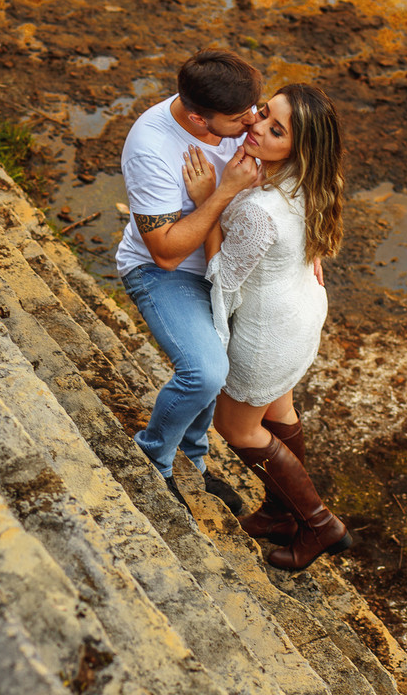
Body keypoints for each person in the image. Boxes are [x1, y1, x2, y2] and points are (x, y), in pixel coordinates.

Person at [184, 82, 350, 570]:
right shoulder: (311, 178)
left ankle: (319, 524)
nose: (256, 127)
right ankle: (280, 513)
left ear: (299, 148)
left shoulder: (260, 209)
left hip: (267, 335)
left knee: (236, 427)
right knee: (278, 408)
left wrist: (209, 201)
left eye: (276, 131)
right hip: (300, 311)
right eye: (263, 114)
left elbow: (221, 276)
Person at [115, 48, 265, 515]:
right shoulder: (152, 148)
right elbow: (165, 251)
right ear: (200, 120)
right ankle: (154, 457)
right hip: (166, 273)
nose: (253, 121)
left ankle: (193, 459)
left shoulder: (238, 112)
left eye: (255, 107)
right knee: (205, 372)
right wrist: (222, 193)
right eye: (240, 118)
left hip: (225, 264)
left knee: (235, 361)